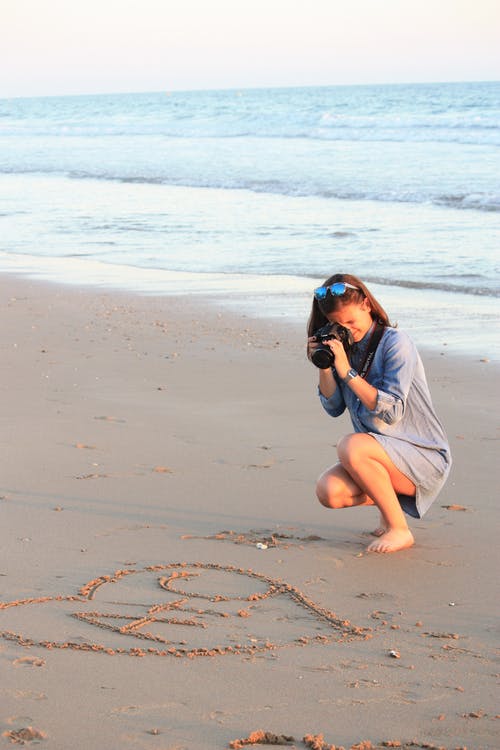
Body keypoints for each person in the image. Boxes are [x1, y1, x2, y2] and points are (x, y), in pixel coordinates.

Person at [307, 273, 451, 553]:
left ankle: (399, 529)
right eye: (337, 324)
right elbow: (333, 407)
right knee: (329, 491)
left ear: (367, 305)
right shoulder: (342, 349)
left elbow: (393, 411)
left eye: (351, 322)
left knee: (351, 445)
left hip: (423, 456)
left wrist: (347, 372)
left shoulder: (396, 343)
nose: (347, 330)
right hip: (380, 457)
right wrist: (324, 365)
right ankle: (388, 502)